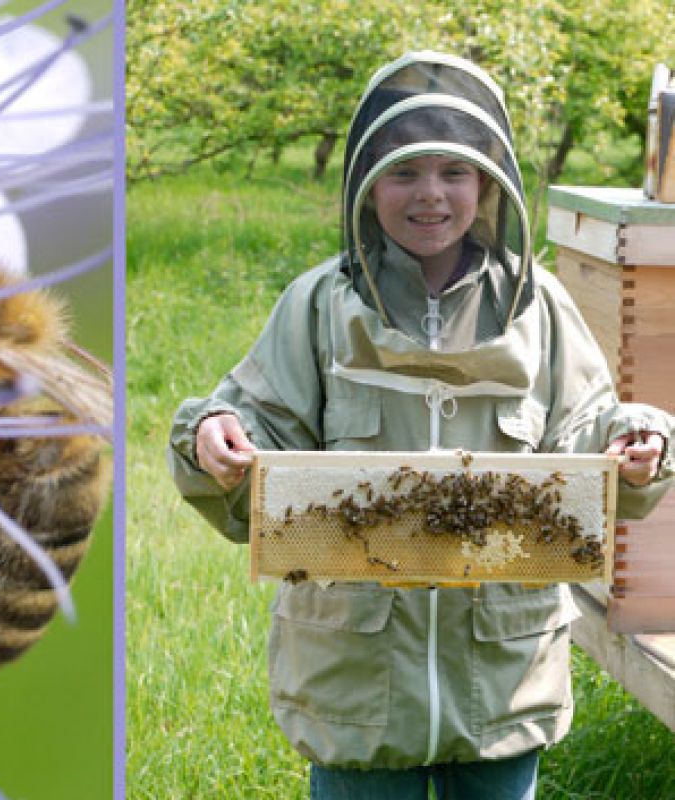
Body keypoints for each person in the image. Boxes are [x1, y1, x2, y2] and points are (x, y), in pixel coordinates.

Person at [166, 51, 674, 799]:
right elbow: (251, 425)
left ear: (488, 182)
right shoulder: (316, 306)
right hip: (355, 685)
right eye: (404, 172)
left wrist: (632, 446)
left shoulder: (540, 309)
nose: (429, 195)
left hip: (501, 679)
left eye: (452, 172)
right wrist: (212, 436)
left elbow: (587, 439)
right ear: (367, 184)